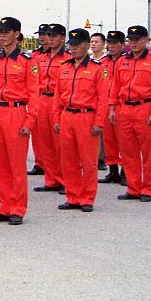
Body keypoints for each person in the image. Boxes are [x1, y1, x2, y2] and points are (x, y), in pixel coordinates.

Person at [0, 17, 34, 226]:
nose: (2, 35)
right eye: (0, 32)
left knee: (16, 164)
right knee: (0, 163)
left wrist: (29, 121)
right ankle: (4, 205)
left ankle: (18, 207)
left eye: (6, 32)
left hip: (16, 112)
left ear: (17, 34)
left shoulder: (27, 62)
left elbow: (34, 95)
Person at [52, 28, 108, 212]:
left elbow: (103, 98)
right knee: (68, 159)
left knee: (89, 160)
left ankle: (87, 198)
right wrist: (57, 118)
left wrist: (99, 122)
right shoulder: (64, 67)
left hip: (87, 116)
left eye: (77, 45)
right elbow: (58, 96)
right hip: (67, 116)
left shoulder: (97, 69)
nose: (73, 49)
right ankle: (73, 195)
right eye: (71, 45)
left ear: (86, 46)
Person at [109, 25, 151, 202]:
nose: (133, 43)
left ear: (146, 40)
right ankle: (133, 187)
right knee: (128, 151)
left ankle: (147, 188)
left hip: (145, 108)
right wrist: (112, 108)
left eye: (137, 39)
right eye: (130, 40)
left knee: (148, 152)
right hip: (124, 108)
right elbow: (115, 87)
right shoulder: (122, 61)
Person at [31, 23, 70, 194]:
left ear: (62, 38)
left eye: (54, 36)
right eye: (49, 35)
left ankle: (64, 179)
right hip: (41, 99)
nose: (50, 39)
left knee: (60, 143)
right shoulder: (40, 58)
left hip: (57, 100)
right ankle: (51, 179)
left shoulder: (68, 58)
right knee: (44, 142)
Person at [98, 31, 126, 184]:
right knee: (108, 139)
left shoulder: (127, 60)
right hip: (105, 103)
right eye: (110, 43)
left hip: (121, 104)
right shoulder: (103, 61)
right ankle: (113, 170)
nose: (112, 46)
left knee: (123, 140)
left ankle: (126, 171)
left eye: (115, 43)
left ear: (122, 44)